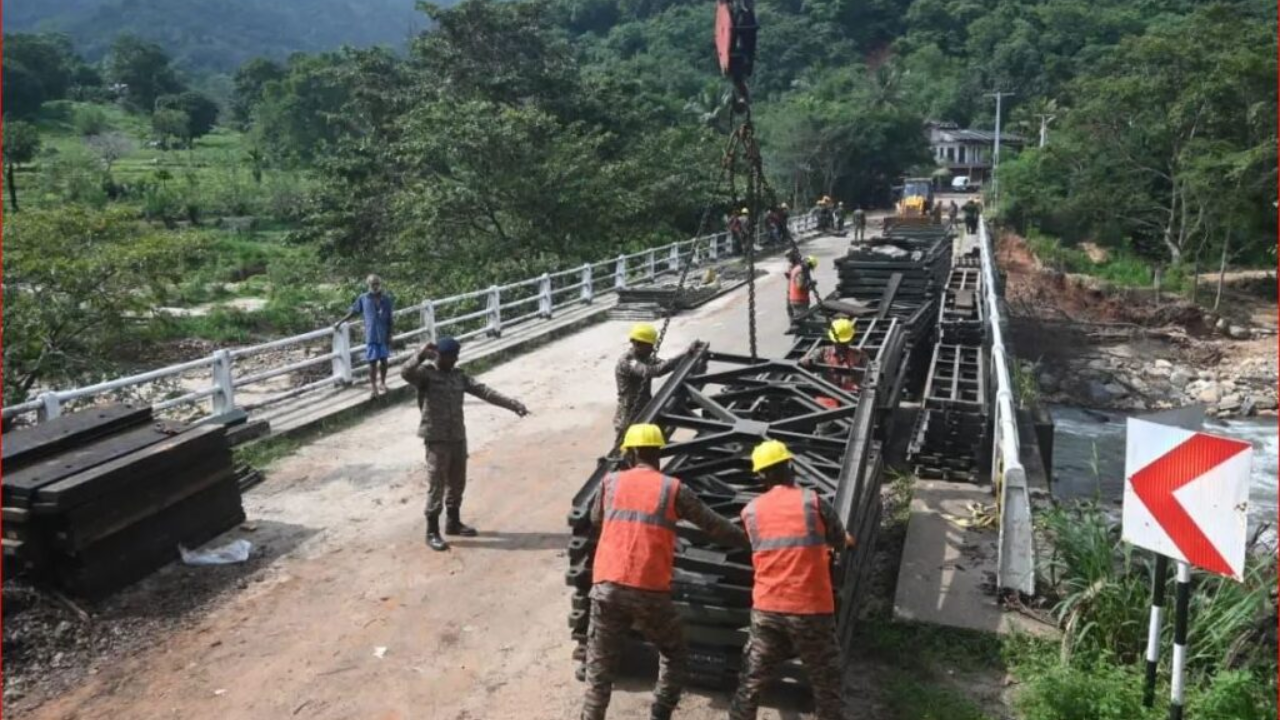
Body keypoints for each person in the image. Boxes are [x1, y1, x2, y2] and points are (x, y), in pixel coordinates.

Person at [582, 424, 748, 720]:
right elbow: (713, 525)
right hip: (649, 590)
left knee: (600, 666)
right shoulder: (673, 489)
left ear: (632, 453)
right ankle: (660, 712)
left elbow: (596, 519)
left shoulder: (610, 483)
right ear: (657, 453)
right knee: (674, 654)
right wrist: (751, 541)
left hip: (608, 586)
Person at [729, 440, 854, 720]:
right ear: (791, 467)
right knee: (826, 682)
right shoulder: (814, 502)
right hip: (811, 609)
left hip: (768, 609)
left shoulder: (750, 511)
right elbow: (838, 539)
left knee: (751, 681)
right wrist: (844, 540)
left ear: (760, 476)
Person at [401, 337, 530, 551]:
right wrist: (420, 354)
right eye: (452, 357)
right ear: (440, 356)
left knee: (457, 482)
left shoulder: (458, 376)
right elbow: (406, 373)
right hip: (437, 439)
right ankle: (432, 531)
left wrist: (512, 404)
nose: (456, 360)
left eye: (457, 356)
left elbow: (485, 392)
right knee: (437, 485)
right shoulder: (426, 375)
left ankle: (453, 522)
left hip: (457, 437)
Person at [614, 323, 698, 434]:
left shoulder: (645, 357)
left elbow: (665, 365)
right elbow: (654, 371)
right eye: (649, 345)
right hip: (629, 415)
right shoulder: (627, 361)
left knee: (658, 436)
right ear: (638, 343)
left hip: (645, 407)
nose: (652, 349)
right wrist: (683, 353)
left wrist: (687, 358)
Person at [335, 274, 395, 398]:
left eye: (377, 284)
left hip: (383, 334)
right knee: (372, 362)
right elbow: (354, 311)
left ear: (380, 284)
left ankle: (383, 383)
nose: (375, 286)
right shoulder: (363, 298)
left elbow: (390, 318)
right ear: (368, 285)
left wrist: (390, 334)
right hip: (371, 335)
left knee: (384, 361)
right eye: (373, 284)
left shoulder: (386, 299)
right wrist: (340, 321)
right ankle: (373, 387)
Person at [799, 318, 865, 407]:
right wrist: (806, 360)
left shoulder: (859, 354)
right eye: (840, 342)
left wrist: (859, 385)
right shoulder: (823, 352)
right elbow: (808, 359)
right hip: (828, 394)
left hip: (851, 395)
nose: (842, 344)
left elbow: (868, 375)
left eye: (844, 342)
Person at [786, 253, 817, 321]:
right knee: (802, 321)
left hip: (796, 299)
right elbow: (800, 286)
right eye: (810, 267)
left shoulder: (797, 268)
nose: (809, 270)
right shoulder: (801, 271)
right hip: (799, 300)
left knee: (799, 319)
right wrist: (810, 284)